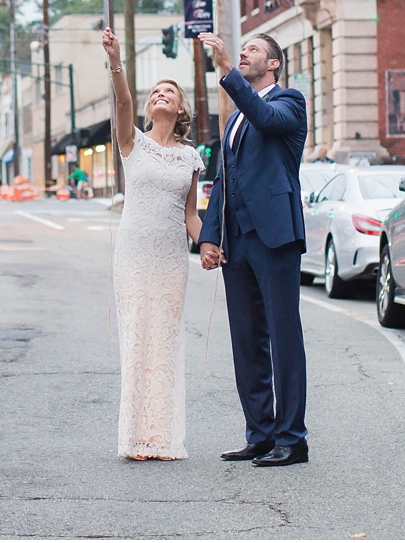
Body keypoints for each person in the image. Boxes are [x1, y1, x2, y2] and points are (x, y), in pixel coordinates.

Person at [196, 31, 310, 467]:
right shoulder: (232, 121)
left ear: (274, 64)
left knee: (283, 338)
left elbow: (265, 117)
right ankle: (260, 434)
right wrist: (211, 235)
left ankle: (292, 438)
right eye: (240, 51)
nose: (243, 54)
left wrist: (226, 67)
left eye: (253, 50)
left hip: (276, 237)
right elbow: (223, 180)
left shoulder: (289, 102)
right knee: (246, 341)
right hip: (238, 240)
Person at [102, 27, 204, 461]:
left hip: (171, 259)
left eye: (170, 91)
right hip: (134, 255)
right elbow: (122, 101)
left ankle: (161, 437)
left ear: (180, 108)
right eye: (155, 91)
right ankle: (134, 439)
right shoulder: (132, 142)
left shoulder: (190, 156)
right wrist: (116, 59)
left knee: (165, 342)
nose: (161, 94)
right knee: (137, 338)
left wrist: (215, 248)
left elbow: (190, 216)